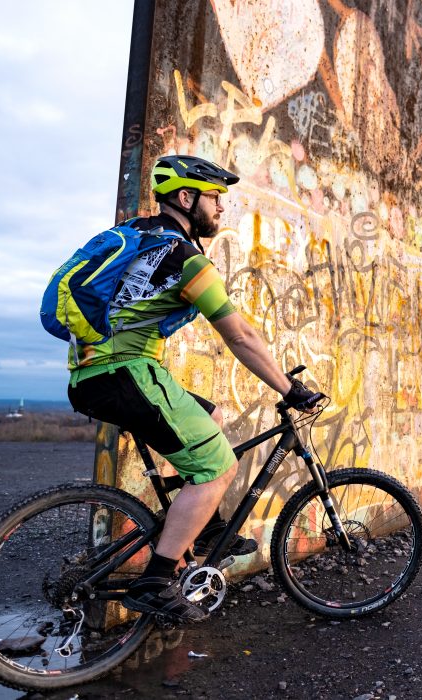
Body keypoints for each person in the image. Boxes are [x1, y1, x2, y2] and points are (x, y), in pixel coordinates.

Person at [67, 154, 320, 623]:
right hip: (127, 374)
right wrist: (289, 388)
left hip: (94, 377)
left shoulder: (142, 238)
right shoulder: (182, 257)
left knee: (213, 417)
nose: (221, 209)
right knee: (217, 467)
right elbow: (239, 334)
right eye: (214, 198)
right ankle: (156, 580)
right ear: (186, 198)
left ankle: (205, 529)